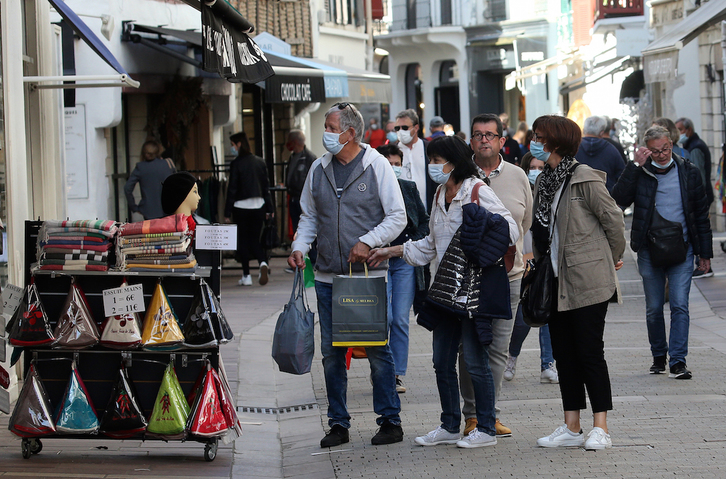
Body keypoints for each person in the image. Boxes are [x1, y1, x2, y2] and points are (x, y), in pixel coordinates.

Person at [369, 135, 519, 449]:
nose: (434, 165)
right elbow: (430, 246)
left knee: (476, 362)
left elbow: (511, 229)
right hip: (446, 290)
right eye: (432, 159)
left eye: (439, 160)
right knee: (441, 360)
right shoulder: (440, 193)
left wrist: (481, 232)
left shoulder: (476, 190)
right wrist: (390, 251)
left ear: (454, 162)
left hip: (472, 292)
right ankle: (449, 424)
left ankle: (486, 428)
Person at [287, 102, 407, 448]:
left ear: (350, 133)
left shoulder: (377, 165)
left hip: (367, 278)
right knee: (331, 352)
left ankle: (389, 420)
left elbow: (396, 217)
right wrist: (300, 245)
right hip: (326, 277)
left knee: (376, 350)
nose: (325, 133)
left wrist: (367, 241)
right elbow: (309, 216)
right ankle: (338, 423)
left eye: (329, 126)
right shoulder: (318, 168)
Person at [530, 115, 625, 451]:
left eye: (539, 136)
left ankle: (601, 427)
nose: (534, 141)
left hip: (587, 279)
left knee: (589, 352)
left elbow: (613, 220)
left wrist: (609, 258)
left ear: (555, 141)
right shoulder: (544, 180)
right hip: (555, 279)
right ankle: (572, 425)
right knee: (564, 354)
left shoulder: (583, 177)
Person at [612, 125, 712, 380]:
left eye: (665, 149)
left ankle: (678, 361)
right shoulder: (641, 172)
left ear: (672, 144)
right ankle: (659, 355)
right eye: (655, 151)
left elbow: (700, 215)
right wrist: (634, 166)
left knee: (680, 305)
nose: (661, 155)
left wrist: (704, 254)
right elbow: (618, 200)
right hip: (649, 249)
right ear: (647, 150)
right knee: (654, 307)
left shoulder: (688, 172)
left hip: (682, 248)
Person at [460, 113, 533, 438]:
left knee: (499, 349)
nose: (484, 140)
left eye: (490, 134)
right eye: (478, 135)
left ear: (502, 141)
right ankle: (471, 415)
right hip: (469, 278)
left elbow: (524, 223)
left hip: (509, 275)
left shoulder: (518, 176)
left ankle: (490, 414)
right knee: (469, 349)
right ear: (471, 141)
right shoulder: (459, 175)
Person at [376, 143, 430, 394]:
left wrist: (411, 245)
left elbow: (424, 222)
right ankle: (382, 370)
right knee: (382, 318)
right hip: (377, 262)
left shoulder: (408, 188)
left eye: (398, 164)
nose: (394, 168)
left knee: (399, 319)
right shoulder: (370, 190)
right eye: (389, 164)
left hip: (404, 261)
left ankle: (396, 373)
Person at [503, 152, 558, 385]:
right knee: (523, 318)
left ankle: (548, 363)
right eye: (532, 167)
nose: (536, 171)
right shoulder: (521, 193)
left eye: (541, 167)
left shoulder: (552, 193)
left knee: (547, 314)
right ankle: (511, 356)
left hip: (547, 261)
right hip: (523, 261)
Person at [224, 132, 274, 287]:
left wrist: (227, 212)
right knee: (255, 240)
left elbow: (232, 189)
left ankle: (246, 275)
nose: (232, 148)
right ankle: (262, 262)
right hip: (258, 205)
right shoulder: (260, 162)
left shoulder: (236, 164)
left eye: (233, 144)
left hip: (240, 207)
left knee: (243, 242)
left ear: (238, 144)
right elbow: (266, 187)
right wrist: (269, 208)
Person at [675, 117, 714, 278]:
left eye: (680, 130)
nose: (678, 133)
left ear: (688, 130)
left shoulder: (695, 148)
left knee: (698, 227)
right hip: (701, 195)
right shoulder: (690, 145)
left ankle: (703, 265)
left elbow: (699, 177)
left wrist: (699, 196)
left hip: (701, 196)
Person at [395, 109, 437, 211]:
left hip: (427, 210)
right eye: (397, 128)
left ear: (416, 127)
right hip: (401, 212)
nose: (401, 131)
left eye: (405, 128)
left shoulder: (429, 149)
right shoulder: (393, 151)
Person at [124, 140, 176, 220]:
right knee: (168, 233)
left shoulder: (140, 167)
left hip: (149, 211)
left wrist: (134, 207)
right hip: (169, 209)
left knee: (151, 233)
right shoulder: (167, 164)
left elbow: (127, 188)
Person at [575, 116, 625, 192]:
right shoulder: (612, 150)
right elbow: (622, 176)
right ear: (601, 133)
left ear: (584, 130)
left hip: (578, 197)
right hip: (605, 197)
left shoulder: (573, 148)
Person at [285, 130, 317, 234]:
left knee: (307, 228)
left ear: (295, 142)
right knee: (296, 229)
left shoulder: (309, 158)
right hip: (293, 198)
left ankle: (310, 250)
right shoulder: (292, 157)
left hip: (304, 199)